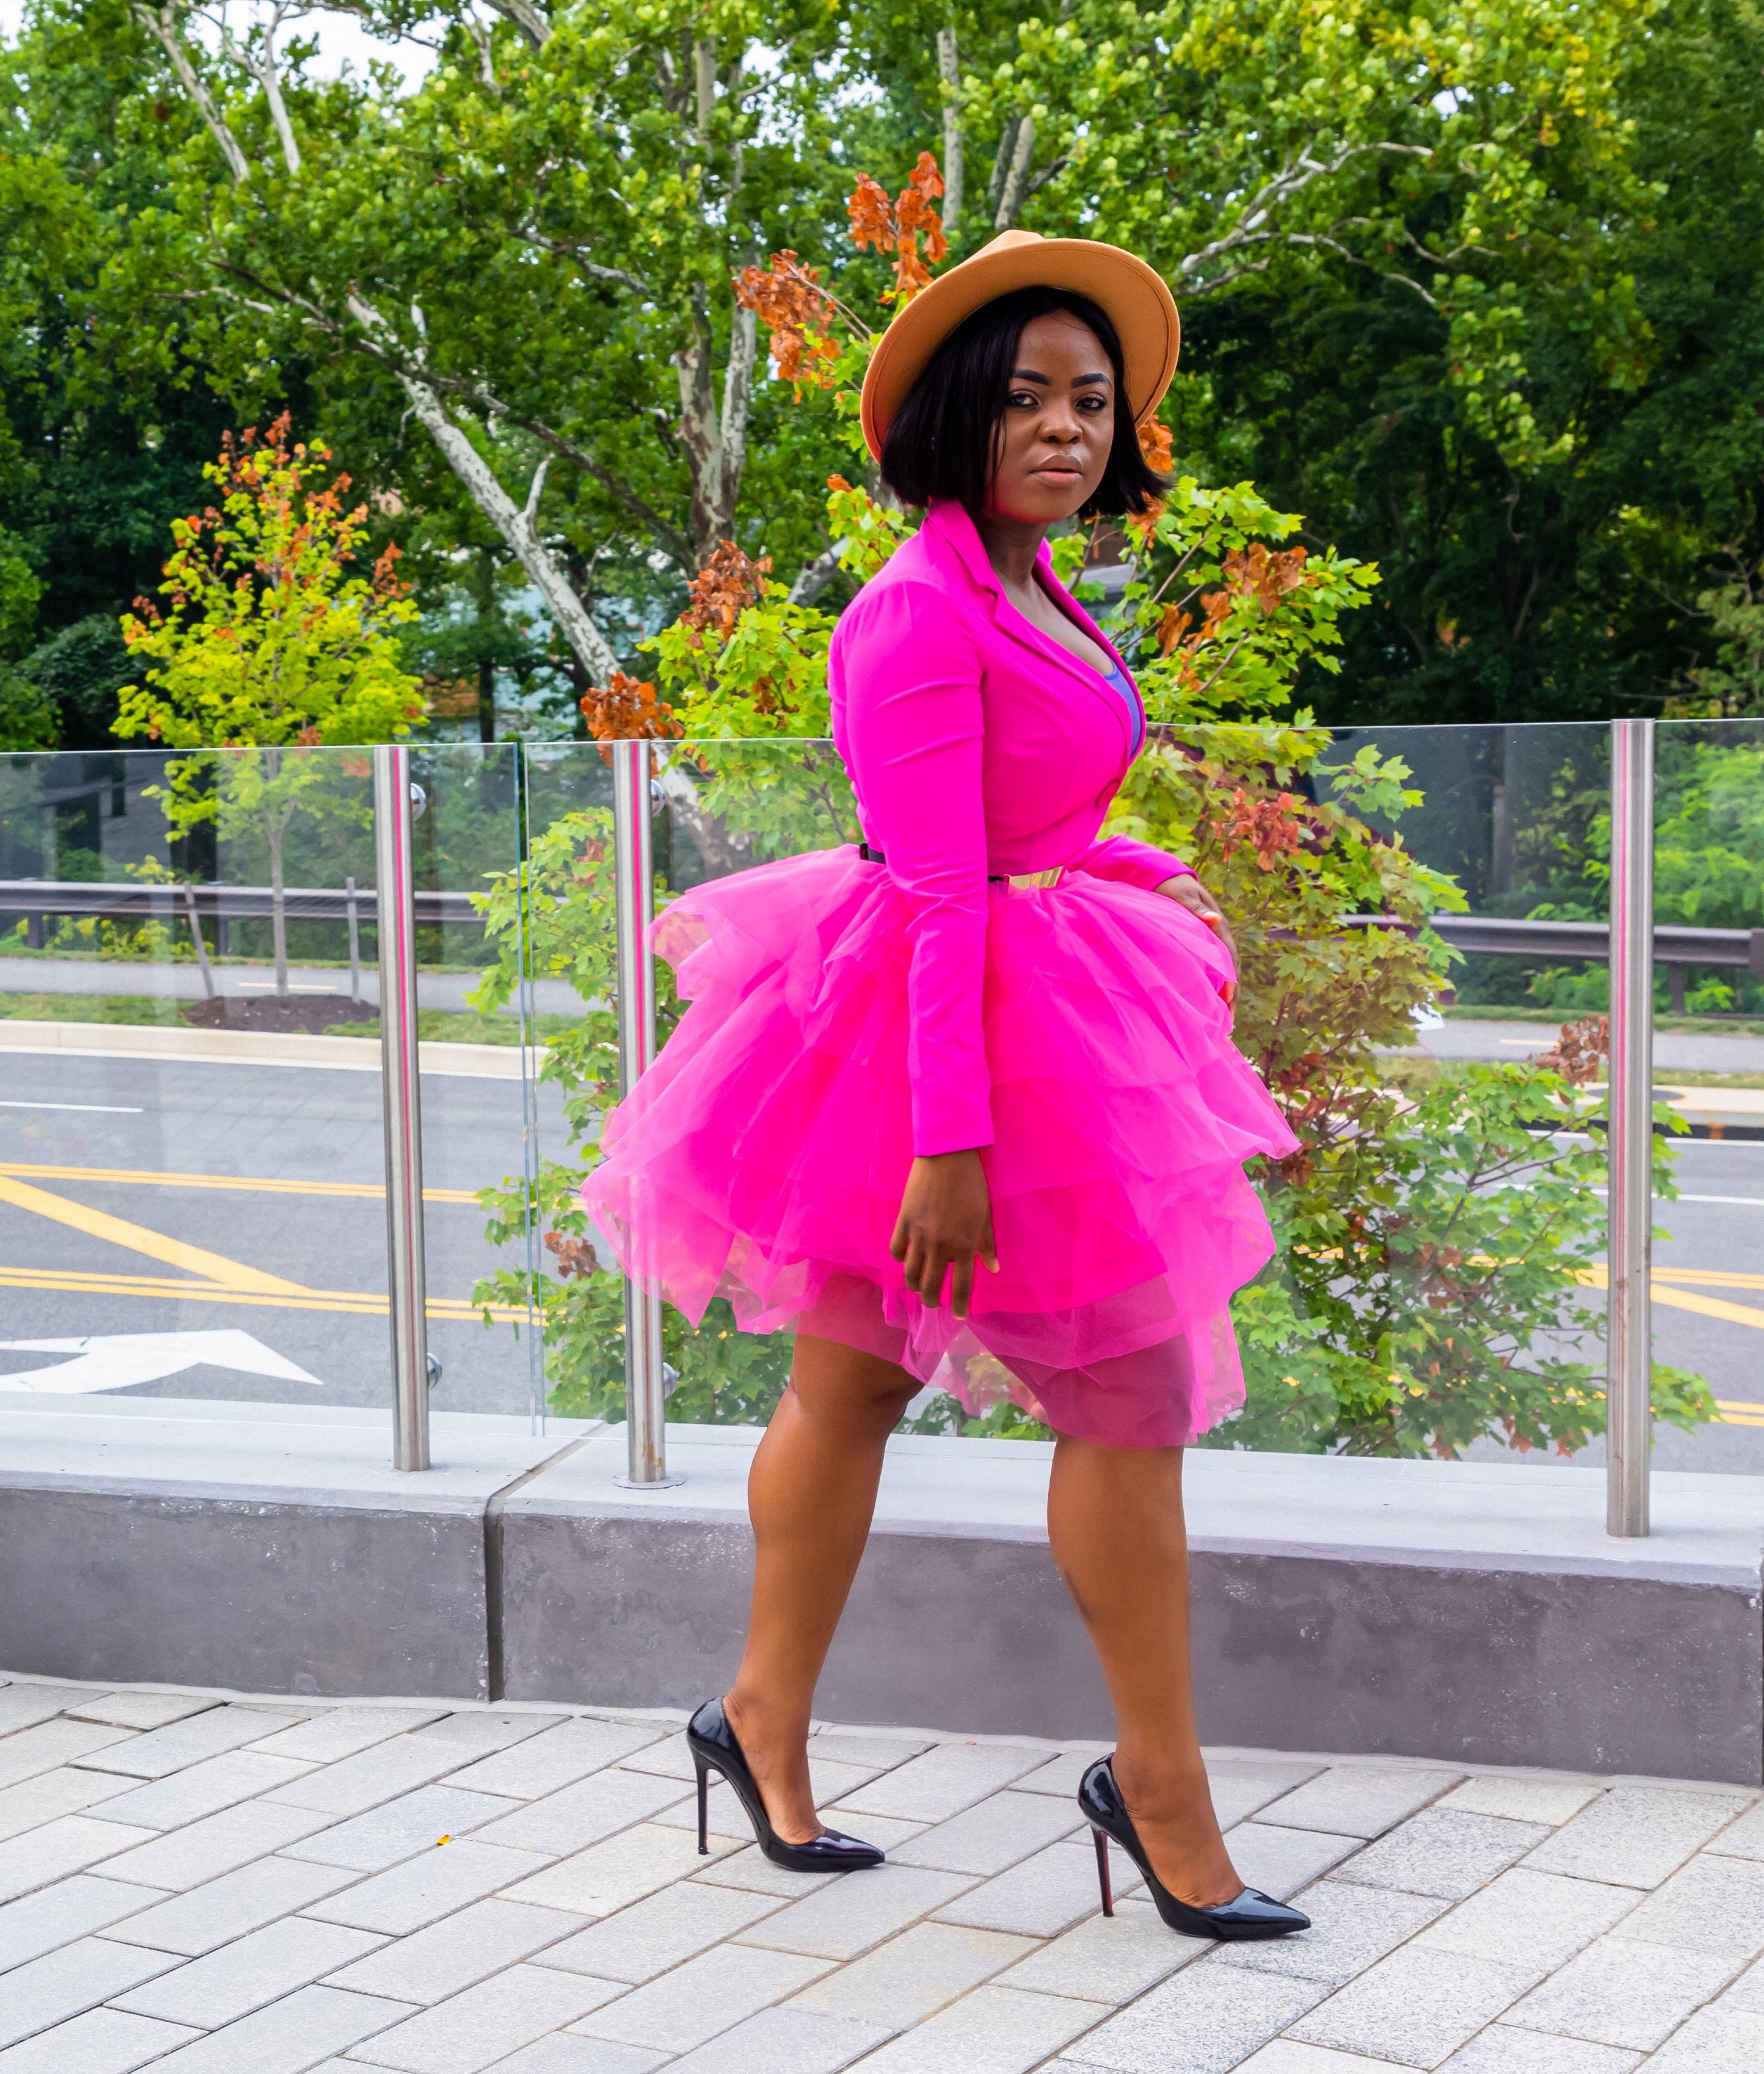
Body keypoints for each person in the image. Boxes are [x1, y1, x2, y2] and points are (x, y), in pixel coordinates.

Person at [584, 230, 1307, 1941]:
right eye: (1025, 399)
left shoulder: (1033, 579)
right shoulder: (916, 610)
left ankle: (762, 1718)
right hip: (943, 1050)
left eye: (1090, 399)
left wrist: (1119, 873)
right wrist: (950, 1144)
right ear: (955, 421)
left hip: (1023, 1007)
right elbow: (926, 889)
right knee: (1099, 1399)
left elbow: (1018, 821)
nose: (1065, 427)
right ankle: (1157, 1795)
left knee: (874, 1389)